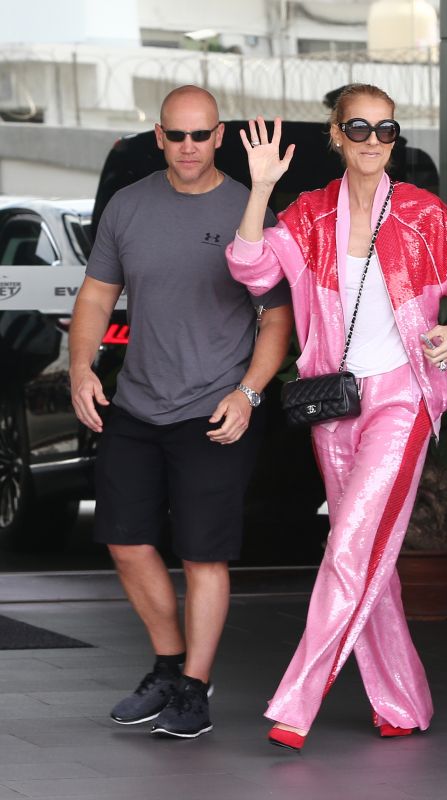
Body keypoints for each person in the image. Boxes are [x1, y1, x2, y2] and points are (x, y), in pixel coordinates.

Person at [226, 83, 447, 750]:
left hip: (402, 399)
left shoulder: (423, 213)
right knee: (368, 555)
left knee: (348, 548)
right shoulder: (310, 215)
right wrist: (259, 190)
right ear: (336, 136)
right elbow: (250, 268)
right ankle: (402, 701)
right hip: (335, 405)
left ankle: (297, 700)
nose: (374, 140)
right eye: (359, 128)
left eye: (386, 129)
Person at [69, 85, 292, 740]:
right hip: (137, 402)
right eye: (177, 135)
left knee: (202, 554)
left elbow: (276, 318)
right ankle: (167, 665)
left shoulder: (250, 209)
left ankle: (194, 686)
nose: (189, 146)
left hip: (213, 406)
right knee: (125, 541)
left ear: (218, 136)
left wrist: (248, 393)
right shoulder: (128, 206)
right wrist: (81, 365)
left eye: (201, 135)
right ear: (159, 137)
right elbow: (94, 297)